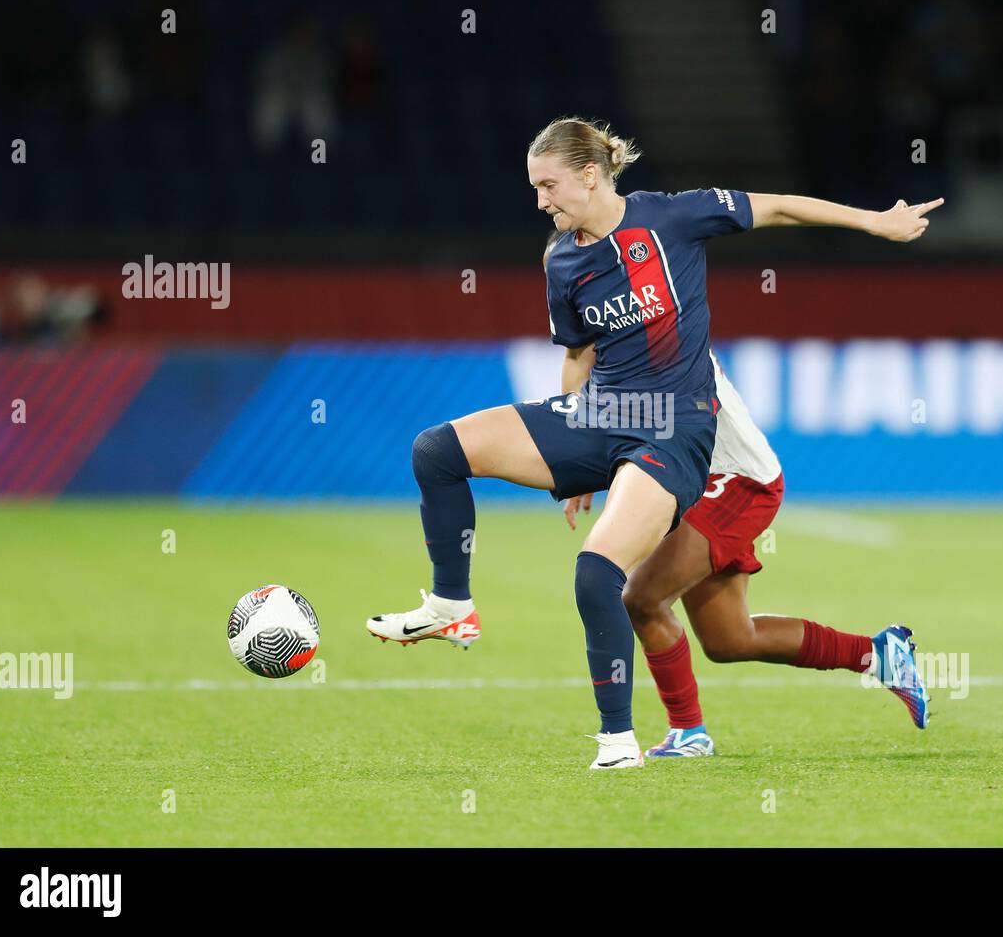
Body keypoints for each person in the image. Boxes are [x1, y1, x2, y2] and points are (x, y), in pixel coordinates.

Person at [366, 115, 942, 770]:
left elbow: (778, 205)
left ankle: (671, 734)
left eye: (548, 185)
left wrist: (877, 222)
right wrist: (576, 456)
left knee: (634, 594)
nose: (539, 201)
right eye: (533, 188)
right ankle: (879, 655)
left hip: (729, 472)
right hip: (628, 433)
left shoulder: (672, 219)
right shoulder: (563, 260)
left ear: (590, 174)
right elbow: (580, 354)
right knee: (727, 637)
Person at [564, 350, 930, 761]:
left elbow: (670, 412)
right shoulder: (619, 335)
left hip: (734, 479)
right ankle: (878, 654)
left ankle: (688, 732)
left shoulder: (669, 338)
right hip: (693, 479)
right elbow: (585, 380)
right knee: (729, 639)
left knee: (641, 600)